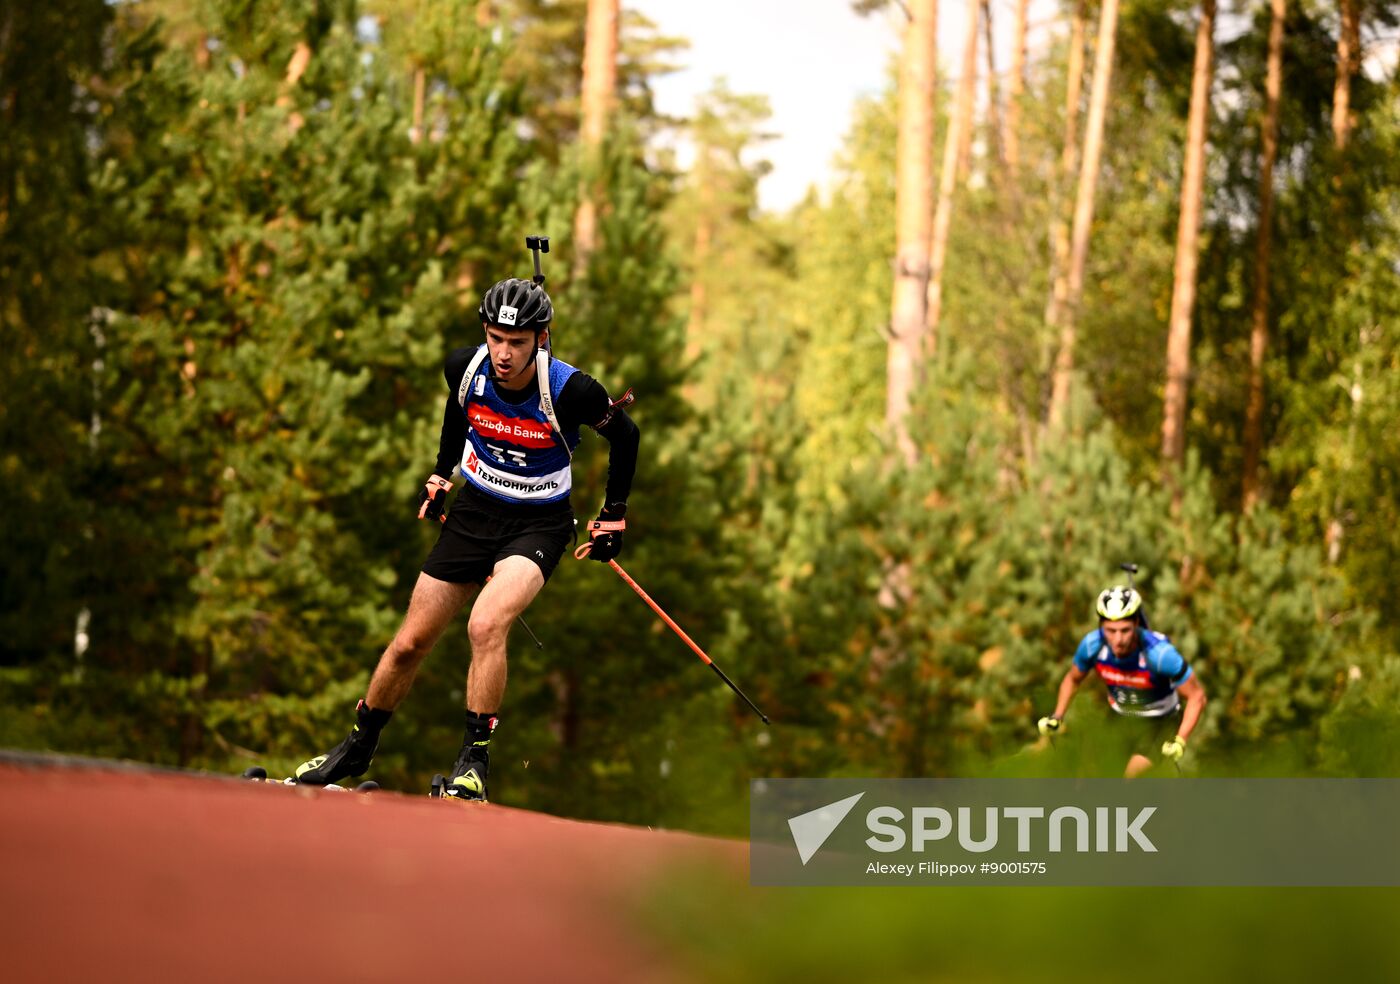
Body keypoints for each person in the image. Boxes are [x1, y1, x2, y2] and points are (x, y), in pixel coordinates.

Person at [293, 273, 639, 800]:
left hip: (538, 524)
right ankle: (358, 744)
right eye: (495, 339)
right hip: (474, 513)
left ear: (540, 339)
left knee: (486, 623)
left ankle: (473, 763)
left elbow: (625, 435)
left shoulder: (571, 389)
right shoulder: (464, 366)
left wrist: (613, 515)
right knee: (409, 643)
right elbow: (458, 416)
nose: (503, 354)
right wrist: (440, 474)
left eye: (517, 343)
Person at [1037, 584, 1206, 778]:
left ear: (1136, 623)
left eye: (1125, 630)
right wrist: (1057, 716)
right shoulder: (1092, 645)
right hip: (1119, 715)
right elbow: (1072, 679)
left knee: (1130, 778)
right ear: (1101, 625)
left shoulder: (1159, 654)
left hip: (1159, 721)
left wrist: (1180, 741)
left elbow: (1197, 697)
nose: (1118, 639)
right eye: (1111, 630)